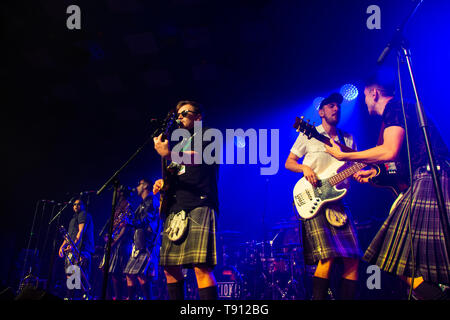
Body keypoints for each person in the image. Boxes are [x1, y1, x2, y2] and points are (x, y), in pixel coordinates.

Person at [325, 77, 450, 300]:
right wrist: (374, 173)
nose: (364, 102)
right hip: (432, 177)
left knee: (395, 259)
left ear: (374, 93)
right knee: (413, 265)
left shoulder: (394, 107)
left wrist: (345, 155)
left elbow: (389, 151)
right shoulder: (403, 110)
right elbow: (398, 164)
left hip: (431, 178)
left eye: (364, 96)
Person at [285, 93, 361, 300]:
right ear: (321, 112)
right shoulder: (309, 134)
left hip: (338, 201)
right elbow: (289, 162)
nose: (336, 109)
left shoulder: (348, 139)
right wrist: (304, 167)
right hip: (314, 198)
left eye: (338, 106)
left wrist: (360, 174)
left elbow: (354, 168)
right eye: (331, 106)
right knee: (326, 258)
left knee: (353, 258)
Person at [153, 100, 219, 300]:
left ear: (198, 117)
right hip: (175, 208)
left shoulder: (208, 133)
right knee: (170, 268)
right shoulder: (180, 143)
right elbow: (178, 172)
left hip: (199, 203)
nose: (179, 117)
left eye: (184, 113)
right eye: (177, 115)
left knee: (201, 267)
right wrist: (163, 183)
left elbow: (198, 157)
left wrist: (170, 154)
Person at [123, 178, 160, 300]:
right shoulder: (143, 203)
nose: (136, 187)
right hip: (139, 244)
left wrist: (129, 220)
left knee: (140, 274)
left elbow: (144, 221)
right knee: (131, 273)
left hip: (146, 245)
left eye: (139, 184)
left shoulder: (151, 201)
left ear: (145, 186)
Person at [58, 198, 95, 299]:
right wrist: (62, 247)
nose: (76, 206)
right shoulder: (73, 219)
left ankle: (85, 296)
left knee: (80, 274)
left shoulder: (83, 214)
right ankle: (70, 296)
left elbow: (80, 232)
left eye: (78, 204)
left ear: (83, 205)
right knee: (71, 275)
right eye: (74, 204)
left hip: (82, 250)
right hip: (74, 249)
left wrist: (73, 245)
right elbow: (68, 236)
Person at [100, 191, 133, 300]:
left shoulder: (128, 206)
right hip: (112, 242)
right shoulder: (116, 208)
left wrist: (114, 241)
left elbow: (126, 227)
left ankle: (118, 297)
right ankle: (109, 297)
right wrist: (107, 236)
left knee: (115, 272)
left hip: (120, 244)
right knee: (105, 270)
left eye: (118, 192)